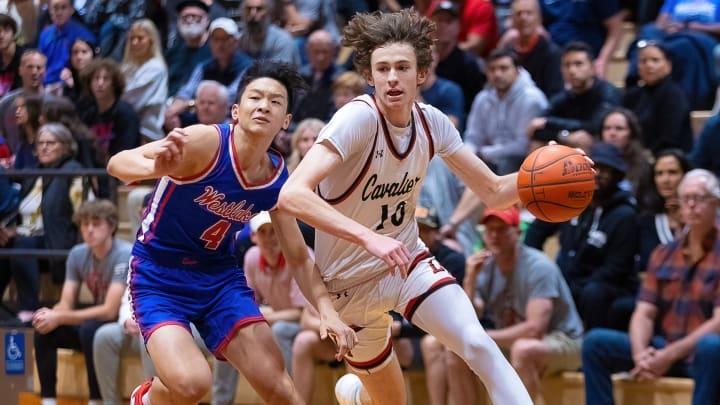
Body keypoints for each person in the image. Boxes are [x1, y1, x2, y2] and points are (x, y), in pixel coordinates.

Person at [278, 9, 534, 405]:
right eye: (382, 69)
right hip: (347, 285)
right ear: (369, 75)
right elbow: (292, 195)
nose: (392, 77)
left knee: (475, 342)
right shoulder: (356, 119)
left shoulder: (433, 123)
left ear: (421, 74)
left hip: (406, 263)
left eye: (402, 67)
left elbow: (496, 190)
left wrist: (546, 176)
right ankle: (357, 395)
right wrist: (369, 239)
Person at [106, 60, 356, 405]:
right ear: (237, 110)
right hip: (159, 274)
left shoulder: (278, 181)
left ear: (286, 121)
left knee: (280, 388)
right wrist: (153, 166)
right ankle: (146, 399)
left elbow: (299, 257)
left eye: (275, 101)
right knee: (193, 386)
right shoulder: (204, 141)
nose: (264, 105)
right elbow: (117, 163)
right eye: (256, 97)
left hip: (218, 277)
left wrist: (328, 312)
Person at [582, 169, 720, 405]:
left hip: (701, 354)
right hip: (664, 346)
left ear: (715, 204)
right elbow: (644, 312)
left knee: (712, 346)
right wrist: (640, 355)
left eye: (699, 198)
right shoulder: (663, 253)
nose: (692, 205)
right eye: (686, 199)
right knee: (595, 343)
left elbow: (718, 323)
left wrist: (668, 355)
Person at [445, 207, 583, 402]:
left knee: (523, 350)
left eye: (501, 229)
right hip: (514, 339)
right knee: (456, 351)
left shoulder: (538, 267)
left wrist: (485, 337)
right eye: (489, 230)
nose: (494, 235)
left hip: (563, 340)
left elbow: (535, 330)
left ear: (518, 233)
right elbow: (471, 317)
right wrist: (470, 281)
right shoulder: (485, 266)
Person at [525, 142, 639, 331]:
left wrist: (573, 284)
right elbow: (538, 229)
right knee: (544, 283)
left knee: (592, 293)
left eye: (605, 170)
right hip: (571, 276)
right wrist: (532, 263)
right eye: (594, 168)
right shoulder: (573, 200)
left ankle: (589, 346)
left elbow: (616, 268)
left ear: (617, 176)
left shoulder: (625, 214)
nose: (598, 175)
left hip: (608, 284)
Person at [33, 199, 130, 405]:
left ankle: (95, 399)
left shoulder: (124, 254)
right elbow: (66, 303)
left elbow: (110, 311)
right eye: (85, 224)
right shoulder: (78, 254)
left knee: (90, 330)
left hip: (123, 324)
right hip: (93, 322)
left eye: (96, 223)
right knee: (44, 330)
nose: (89, 230)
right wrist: (51, 316)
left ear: (112, 226)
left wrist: (60, 316)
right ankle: (47, 399)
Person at [212, 211, 312, 405]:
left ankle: (289, 398)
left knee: (280, 330)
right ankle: (221, 402)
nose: (269, 238)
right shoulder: (251, 257)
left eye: (274, 231)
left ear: (283, 232)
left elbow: (301, 313)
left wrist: (266, 317)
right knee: (228, 333)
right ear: (253, 237)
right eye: (263, 232)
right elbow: (250, 303)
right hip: (273, 319)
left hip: (306, 323)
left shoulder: (298, 255)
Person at [0, 123, 84, 327]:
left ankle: (29, 309)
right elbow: (19, 212)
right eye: (40, 143)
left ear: (65, 146)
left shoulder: (73, 172)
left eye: (50, 143)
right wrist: (6, 229)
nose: (44, 147)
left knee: (23, 244)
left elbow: (83, 213)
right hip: (27, 241)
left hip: (58, 243)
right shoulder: (33, 174)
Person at [464, 48, 547, 175]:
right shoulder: (482, 98)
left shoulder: (532, 98)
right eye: (492, 69)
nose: (497, 74)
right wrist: (467, 156)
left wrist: (484, 153)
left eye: (504, 68)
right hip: (486, 159)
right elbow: (473, 137)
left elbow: (523, 145)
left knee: (506, 163)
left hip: (522, 162)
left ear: (518, 71)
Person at [527, 41, 621, 152]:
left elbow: (595, 126)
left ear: (592, 67)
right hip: (572, 143)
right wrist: (565, 136)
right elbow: (537, 130)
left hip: (606, 150)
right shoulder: (563, 96)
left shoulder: (607, 92)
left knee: (585, 140)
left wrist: (548, 123)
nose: (572, 70)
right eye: (567, 65)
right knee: (538, 144)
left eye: (578, 64)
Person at [622, 41, 693, 153]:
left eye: (655, 60)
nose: (649, 65)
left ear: (668, 66)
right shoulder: (632, 95)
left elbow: (669, 139)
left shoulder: (674, 95)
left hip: (666, 158)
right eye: (643, 61)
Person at [120, 19, 168, 142]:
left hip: (146, 134)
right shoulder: (127, 67)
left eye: (140, 38)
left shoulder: (156, 68)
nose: (135, 42)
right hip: (124, 129)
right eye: (132, 38)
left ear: (151, 41)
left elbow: (130, 100)